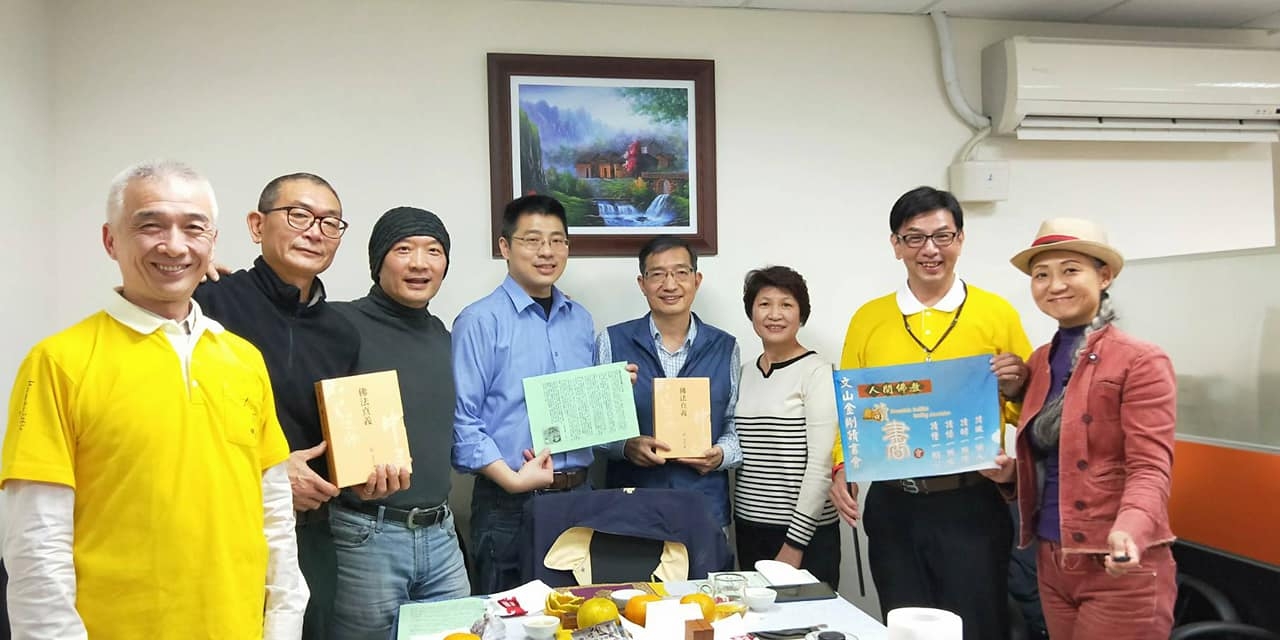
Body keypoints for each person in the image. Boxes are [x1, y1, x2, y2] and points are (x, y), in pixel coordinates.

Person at [1, 161, 307, 638]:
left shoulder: (244, 359)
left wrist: (283, 626)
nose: (175, 246)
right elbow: (36, 544)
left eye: (193, 228)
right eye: (151, 226)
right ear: (111, 240)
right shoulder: (58, 362)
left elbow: (275, 518)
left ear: (212, 242)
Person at [195, 173, 406, 639]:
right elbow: (177, 425)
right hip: (223, 527)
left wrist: (363, 477)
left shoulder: (340, 332)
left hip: (311, 536)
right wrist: (270, 474)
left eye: (330, 223)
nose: (315, 231)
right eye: (299, 216)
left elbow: (332, 438)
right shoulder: (206, 303)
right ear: (257, 225)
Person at [827, 186, 1031, 640]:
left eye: (943, 236)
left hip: (971, 502)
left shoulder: (996, 313)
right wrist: (843, 466)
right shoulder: (869, 319)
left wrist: (1017, 386)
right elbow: (852, 410)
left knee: (978, 628)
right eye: (915, 238)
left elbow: (1032, 411)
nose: (930, 250)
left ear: (961, 239)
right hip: (894, 505)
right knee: (905, 627)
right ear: (896, 245)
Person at [986, 218, 1177, 639]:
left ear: (1104, 276)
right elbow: (1058, 462)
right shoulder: (1039, 361)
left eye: (1070, 270)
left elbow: (1150, 467)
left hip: (1117, 562)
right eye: (1041, 275)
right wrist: (1011, 475)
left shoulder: (1141, 360)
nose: (1055, 285)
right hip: (1052, 560)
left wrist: (1130, 529)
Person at [327, 207, 469, 638]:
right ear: (378, 261)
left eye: (434, 251)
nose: (419, 263)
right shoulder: (337, 323)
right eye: (403, 249)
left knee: (459, 634)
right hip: (365, 534)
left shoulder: (442, 335)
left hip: (441, 533)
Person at [452, 194, 597, 594]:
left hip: (579, 495)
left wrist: (610, 390)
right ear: (505, 247)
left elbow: (579, 408)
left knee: (579, 614)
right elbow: (462, 422)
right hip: (507, 504)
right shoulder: (479, 320)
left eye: (557, 240)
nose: (546, 251)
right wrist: (514, 480)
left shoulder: (580, 319)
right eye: (532, 240)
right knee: (508, 617)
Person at [597, 235, 742, 535]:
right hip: (631, 508)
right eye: (658, 274)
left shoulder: (725, 347)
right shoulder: (612, 341)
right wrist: (625, 447)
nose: (670, 284)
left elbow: (733, 423)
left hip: (704, 508)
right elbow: (595, 427)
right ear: (642, 283)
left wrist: (721, 455)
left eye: (680, 272)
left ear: (696, 280)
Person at [732, 266, 840, 586]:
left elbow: (821, 466)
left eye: (786, 304)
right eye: (764, 304)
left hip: (804, 536)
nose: (774, 314)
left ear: (801, 314)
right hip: (749, 528)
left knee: (807, 617)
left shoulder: (817, 373)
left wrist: (795, 544)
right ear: (751, 312)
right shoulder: (743, 373)